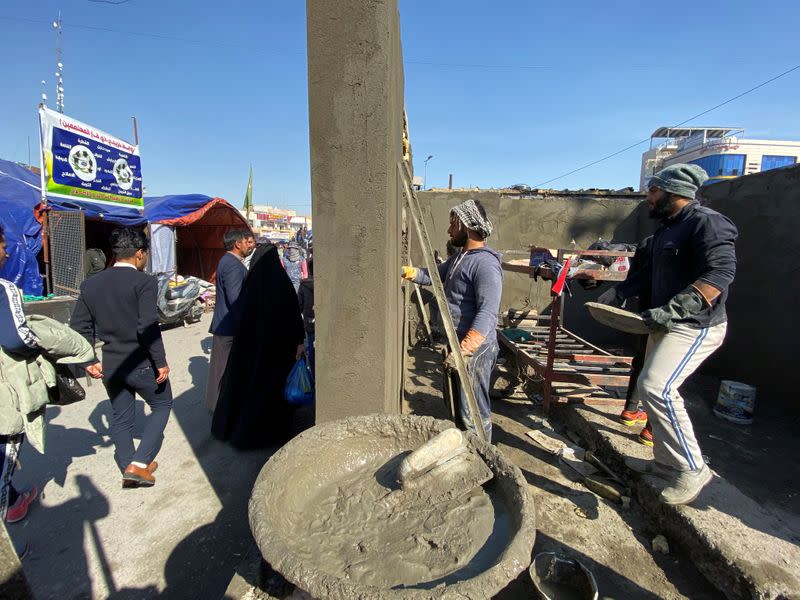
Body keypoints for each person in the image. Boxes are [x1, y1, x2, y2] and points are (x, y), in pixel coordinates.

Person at [602, 164, 737, 505]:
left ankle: (692, 469)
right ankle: (664, 465)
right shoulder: (666, 230)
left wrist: (674, 310)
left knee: (655, 387)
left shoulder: (706, 223)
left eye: (653, 191)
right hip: (664, 324)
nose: (648, 197)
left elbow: (720, 274)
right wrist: (619, 292)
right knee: (650, 389)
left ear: (674, 192)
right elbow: (649, 276)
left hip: (696, 326)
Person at [71, 227, 173, 488]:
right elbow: (147, 325)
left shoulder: (90, 284)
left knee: (121, 417)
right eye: (146, 254)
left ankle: (129, 465)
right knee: (161, 405)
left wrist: (87, 360)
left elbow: (79, 326)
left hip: (111, 365)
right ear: (139, 254)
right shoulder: (144, 282)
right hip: (140, 363)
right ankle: (139, 465)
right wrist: (159, 361)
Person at [401, 199, 503, 441]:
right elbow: (433, 276)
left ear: (465, 226)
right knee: (458, 408)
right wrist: (408, 272)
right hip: (459, 345)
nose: (449, 230)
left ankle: (483, 462)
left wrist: (465, 349)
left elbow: (488, 312)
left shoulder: (485, 264)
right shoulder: (461, 258)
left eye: (452, 225)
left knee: (474, 414)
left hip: (475, 350)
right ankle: (466, 453)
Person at [211, 243, 305, 449]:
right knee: (275, 391)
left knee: (253, 389)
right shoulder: (282, 283)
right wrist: (299, 340)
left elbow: (242, 315)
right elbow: (293, 314)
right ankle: (275, 433)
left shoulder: (250, 286)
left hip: (254, 349)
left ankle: (247, 432)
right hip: (281, 349)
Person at [205, 229, 255, 412]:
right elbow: (236, 299)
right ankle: (220, 409)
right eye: (246, 242)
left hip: (227, 327)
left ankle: (220, 408)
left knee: (222, 370)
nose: (249, 245)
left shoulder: (229, 261)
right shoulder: (233, 265)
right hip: (230, 328)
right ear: (237, 244)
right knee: (223, 372)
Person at [297, 257, 315, 374]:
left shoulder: (304, 285)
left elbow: (299, 305)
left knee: (312, 352)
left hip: (309, 322)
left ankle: (314, 378)